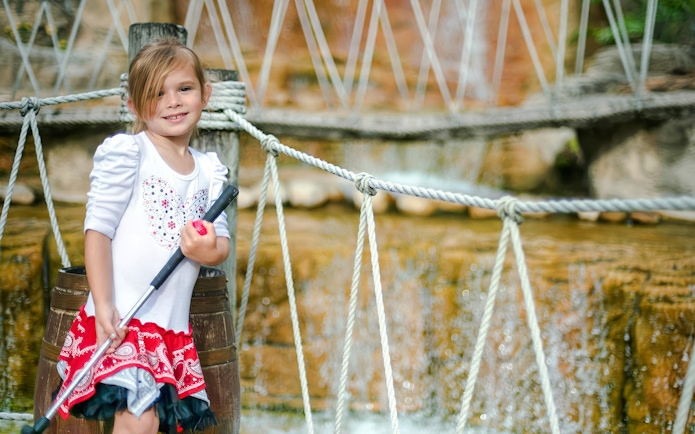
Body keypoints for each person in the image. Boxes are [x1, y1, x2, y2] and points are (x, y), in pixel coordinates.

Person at [54, 38, 230, 434]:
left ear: (205, 94)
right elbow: (98, 230)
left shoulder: (210, 171)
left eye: (184, 89)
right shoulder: (130, 153)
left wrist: (208, 250)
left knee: (155, 424)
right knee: (140, 417)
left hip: (171, 330)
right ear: (134, 106)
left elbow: (220, 244)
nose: (173, 101)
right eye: (157, 94)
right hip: (122, 319)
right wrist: (103, 305)